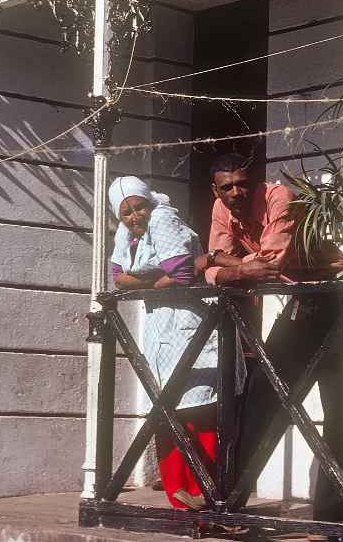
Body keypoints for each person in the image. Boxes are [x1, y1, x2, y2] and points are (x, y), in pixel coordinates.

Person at [200, 152, 343, 522]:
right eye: (227, 186)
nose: (236, 192)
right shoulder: (222, 208)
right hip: (302, 297)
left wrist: (221, 263)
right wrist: (227, 266)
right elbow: (212, 265)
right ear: (215, 189)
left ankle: (334, 511)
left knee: (337, 404)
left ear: (254, 181)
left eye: (242, 183)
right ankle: (229, 498)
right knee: (261, 394)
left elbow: (270, 263)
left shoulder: (277, 196)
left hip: (333, 294)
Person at [108, 175, 241, 511]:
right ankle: (178, 497)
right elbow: (118, 278)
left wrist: (148, 281)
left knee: (199, 410)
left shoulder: (166, 221)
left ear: (149, 203)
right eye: (127, 213)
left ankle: (206, 495)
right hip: (161, 329)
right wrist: (159, 279)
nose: (135, 216)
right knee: (167, 410)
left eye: (139, 207)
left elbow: (180, 275)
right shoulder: (128, 235)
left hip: (189, 324)